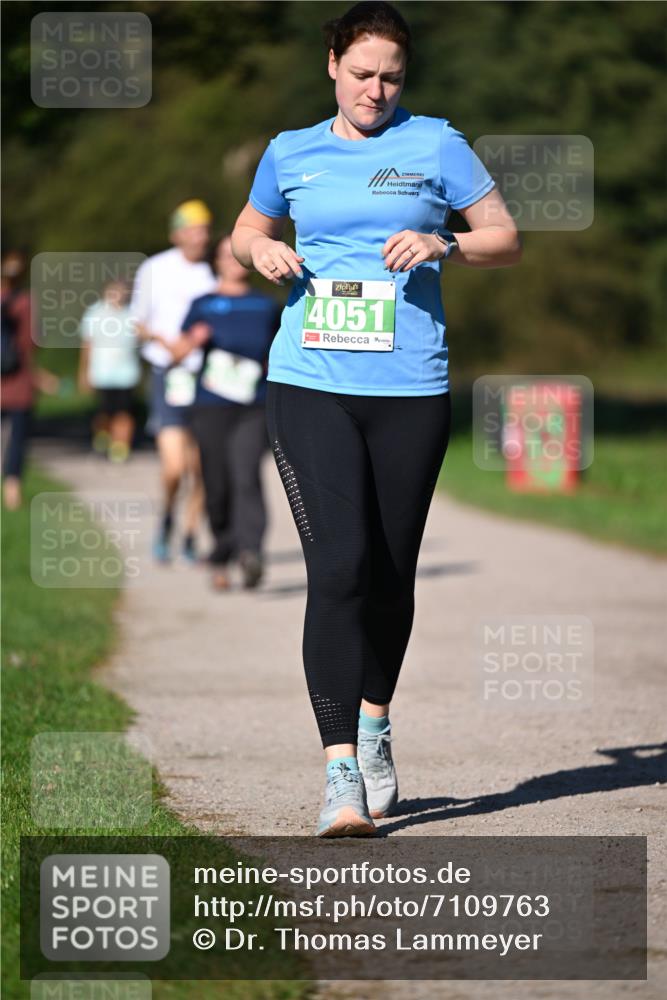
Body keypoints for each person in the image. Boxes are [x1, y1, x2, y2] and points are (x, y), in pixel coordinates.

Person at [231, 0, 521, 837]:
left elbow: (505, 236)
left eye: (391, 75)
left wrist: (448, 245)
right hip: (309, 377)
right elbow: (250, 229)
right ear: (331, 64)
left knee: (392, 574)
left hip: (409, 387)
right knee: (341, 567)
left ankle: (373, 724)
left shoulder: (434, 143)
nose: (376, 89)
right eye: (361, 73)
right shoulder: (290, 152)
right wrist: (262, 251)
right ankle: (338, 777)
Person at [160, 234, 280, 591]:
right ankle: (223, 550)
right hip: (210, 405)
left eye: (236, 255)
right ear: (216, 262)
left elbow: (278, 353)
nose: (231, 261)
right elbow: (177, 354)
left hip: (253, 404)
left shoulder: (266, 305)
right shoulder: (204, 304)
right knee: (216, 480)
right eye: (224, 255)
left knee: (246, 474)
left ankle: (251, 552)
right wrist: (193, 341)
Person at [131, 200, 217, 563]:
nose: (201, 237)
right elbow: (137, 322)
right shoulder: (155, 267)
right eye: (194, 229)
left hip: (205, 375)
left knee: (201, 468)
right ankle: (166, 519)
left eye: (205, 229)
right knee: (174, 468)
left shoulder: (214, 272)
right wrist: (167, 342)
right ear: (177, 233)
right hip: (167, 374)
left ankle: (191, 533)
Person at [1, 250, 58, 510]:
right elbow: (33, 342)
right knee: (17, 440)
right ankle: (12, 493)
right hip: (20, 383)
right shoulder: (27, 303)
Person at [78, 278, 140, 463]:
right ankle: (104, 436)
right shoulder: (95, 313)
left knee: (124, 412)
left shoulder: (132, 314)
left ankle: (120, 447)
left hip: (126, 373)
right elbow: (87, 344)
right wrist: (84, 372)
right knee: (105, 412)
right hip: (102, 373)